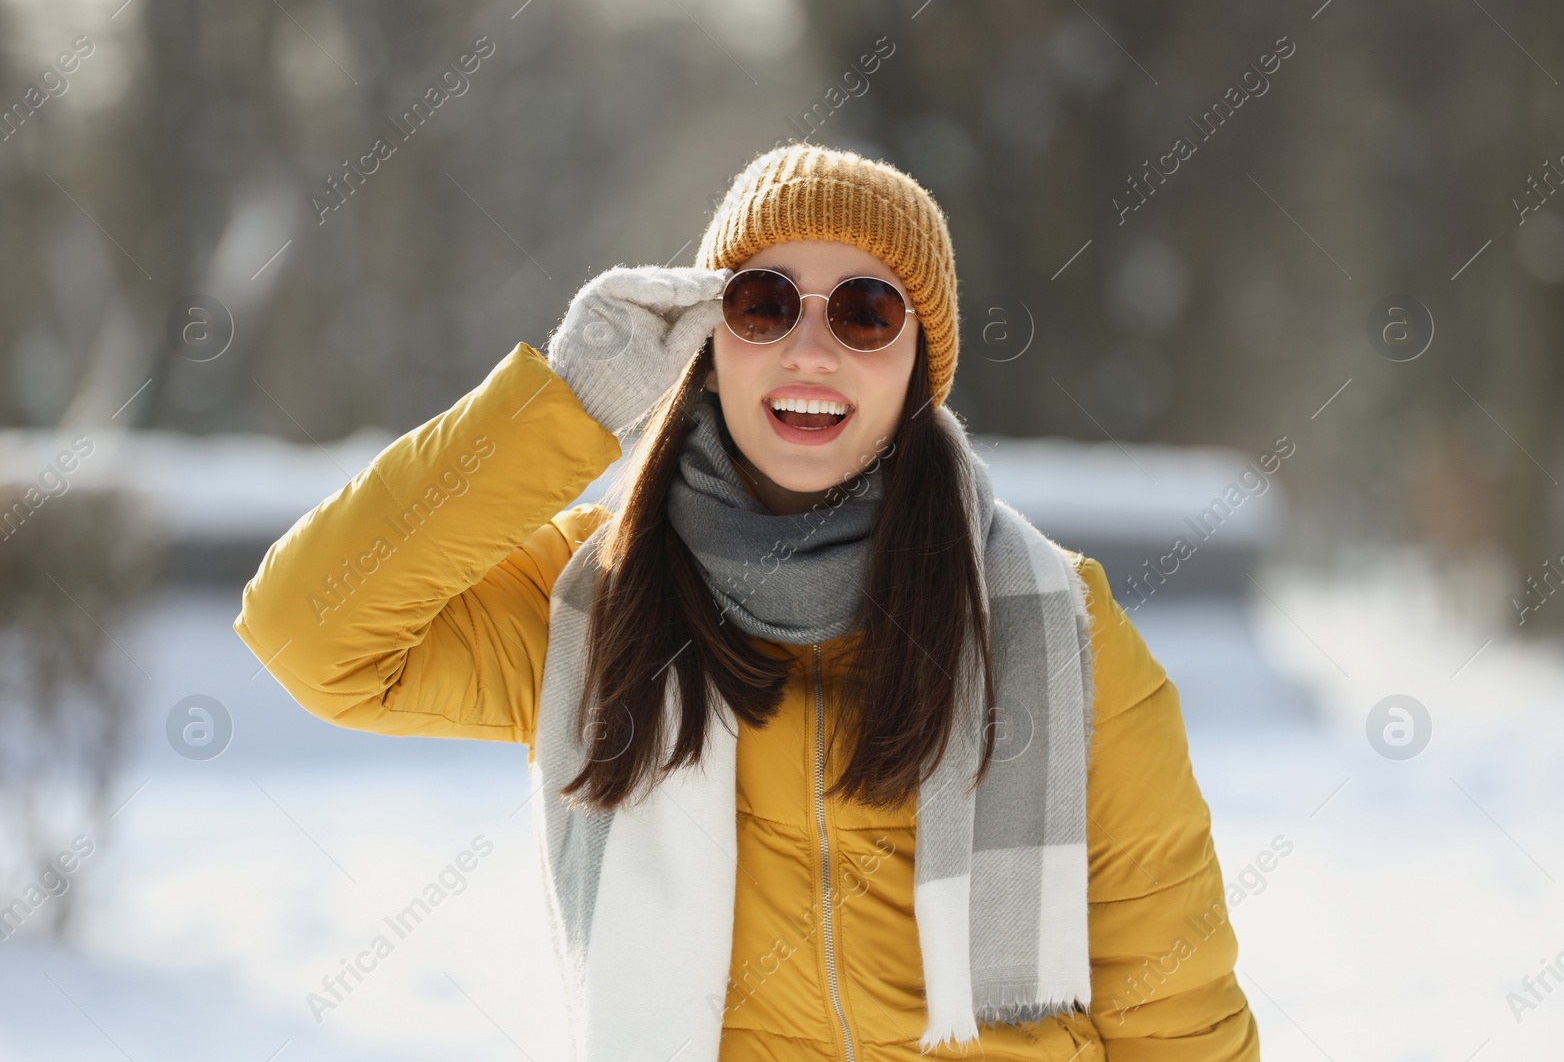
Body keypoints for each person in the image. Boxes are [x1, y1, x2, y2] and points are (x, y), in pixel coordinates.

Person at [234, 143, 1259, 1061]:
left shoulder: (1053, 622)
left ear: (918, 368)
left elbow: (1173, 1008)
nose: (810, 350)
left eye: (866, 312)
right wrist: (567, 402)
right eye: (764, 305)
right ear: (706, 342)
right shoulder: (591, 607)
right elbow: (310, 631)